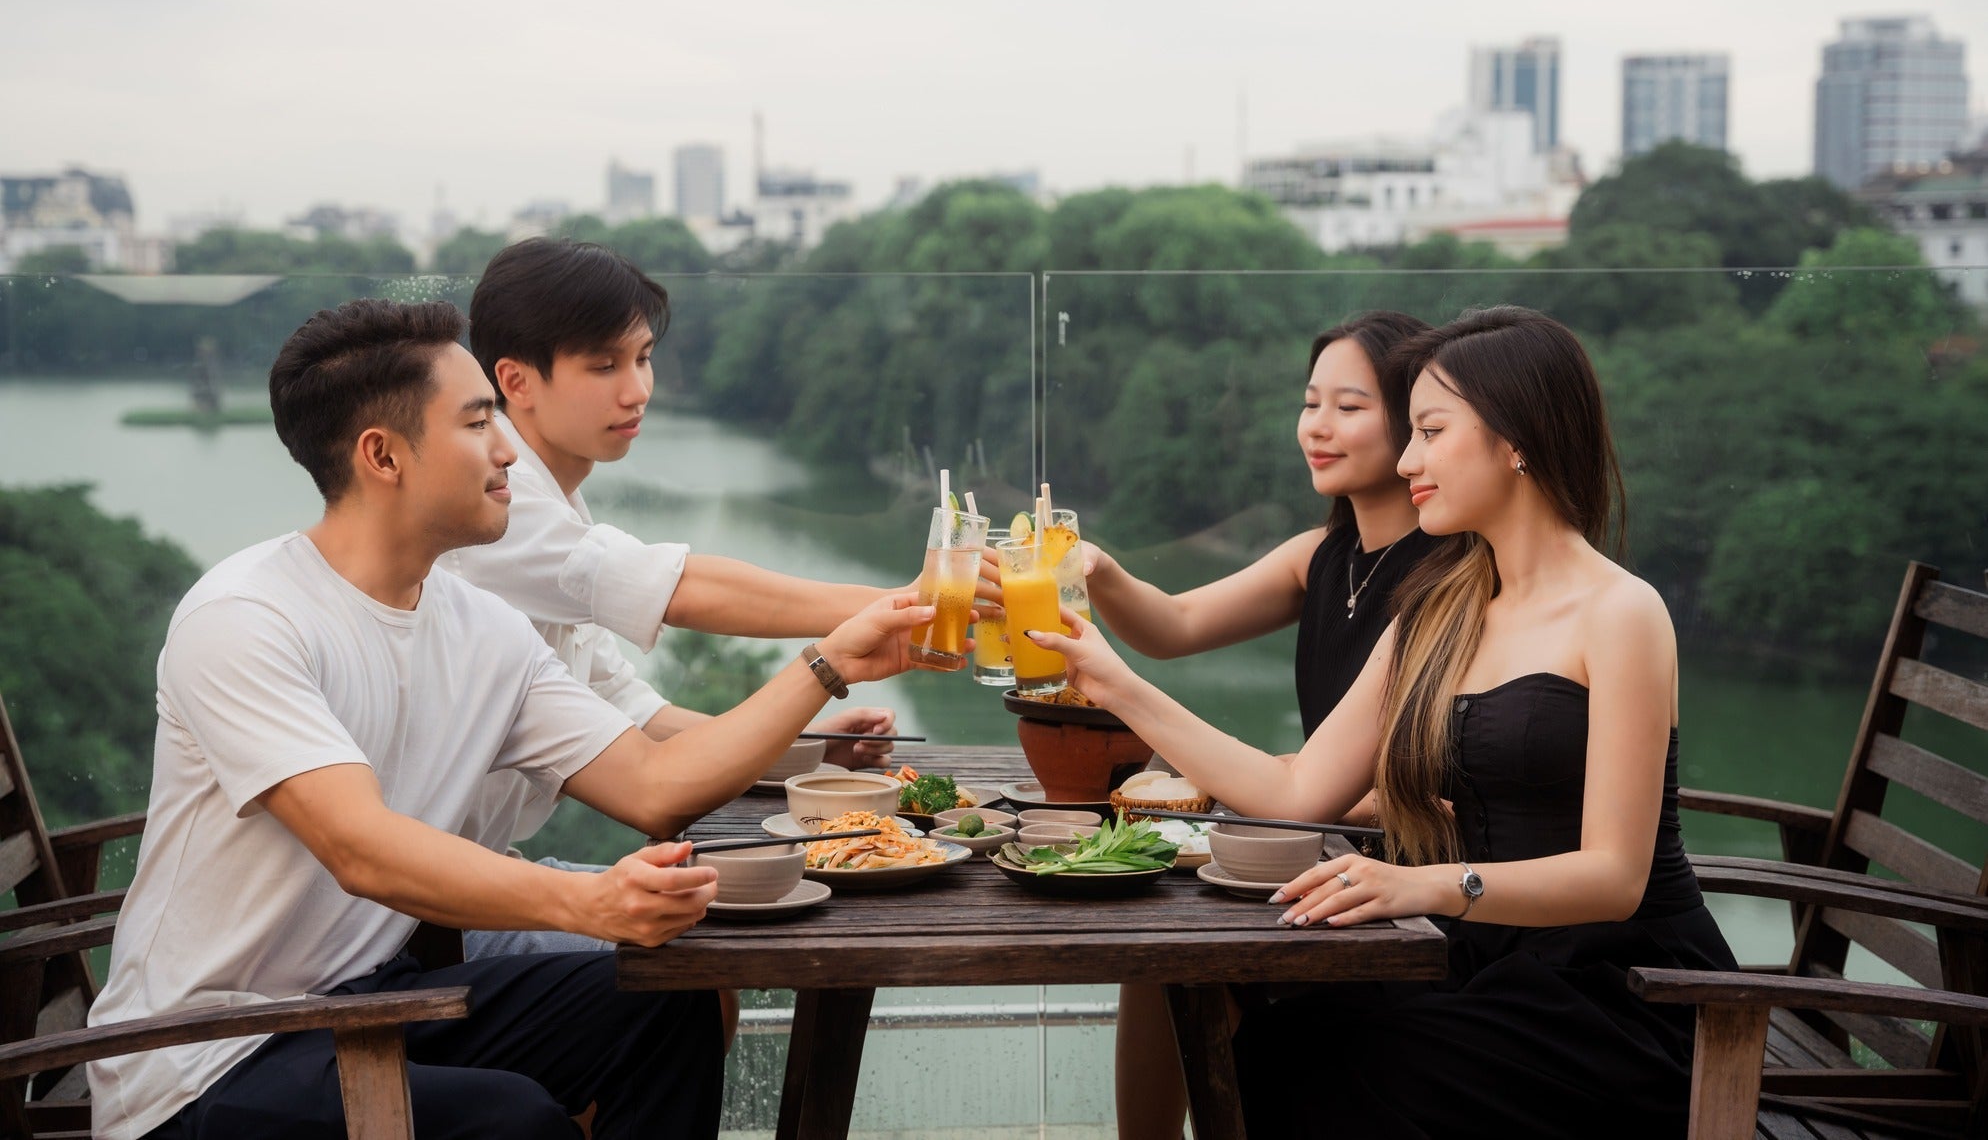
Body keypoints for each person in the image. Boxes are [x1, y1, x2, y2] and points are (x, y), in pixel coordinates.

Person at [88, 299, 933, 1140]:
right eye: (476, 422)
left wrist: (828, 664)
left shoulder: (479, 626)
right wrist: (589, 903)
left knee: (665, 1007)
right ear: (382, 455)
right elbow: (360, 848)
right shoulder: (247, 618)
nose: (506, 450)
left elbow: (654, 783)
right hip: (209, 1055)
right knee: (511, 1124)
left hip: (366, 1000)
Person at [1032, 306, 1736, 1140]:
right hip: (1479, 957)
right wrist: (1116, 687)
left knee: (1344, 1069)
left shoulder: (1621, 611)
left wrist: (1428, 885)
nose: (1408, 460)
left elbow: (1616, 877)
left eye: (1430, 432)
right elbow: (1296, 789)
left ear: (1517, 439)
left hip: (1622, 991)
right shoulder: (1437, 611)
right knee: (1269, 1035)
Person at [440, 238, 919, 956]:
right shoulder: (501, 508)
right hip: (425, 912)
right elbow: (680, 588)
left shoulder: (554, 507)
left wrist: (805, 752)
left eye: (643, 358)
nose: (637, 390)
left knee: (700, 927)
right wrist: (904, 605)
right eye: (604, 365)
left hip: (483, 874)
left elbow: (636, 713)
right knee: (697, 946)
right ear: (517, 380)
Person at [1090, 310, 1442, 1140]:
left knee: (1185, 960)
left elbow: (1434, 793)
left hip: (1404, 874)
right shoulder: (1320, 556)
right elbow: (1173, 625)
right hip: (1312, 839)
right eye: (1310, 403)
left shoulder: (1450, 579)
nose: (1317, 427)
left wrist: (1268, 784)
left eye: (1349, 407)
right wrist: (1098, 570)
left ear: (1416, 425)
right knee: (1157, 955)